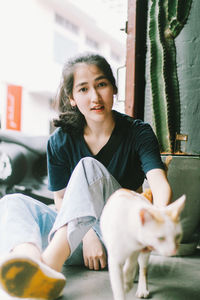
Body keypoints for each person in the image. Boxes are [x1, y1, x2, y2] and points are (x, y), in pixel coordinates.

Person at [0, 53, 172, 299]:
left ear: (114, 87)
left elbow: (159, 183)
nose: (95, 97)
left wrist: (162, 217)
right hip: (75, 242)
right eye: (83, 89)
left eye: (101, 85)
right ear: (72, 98)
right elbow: (60, 200)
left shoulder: (138, 133)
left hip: (117, 238)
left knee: (88, 168)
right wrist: (88, 234)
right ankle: (29, 262)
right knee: (12, 201)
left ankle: (48, 266)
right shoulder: (60, 141)